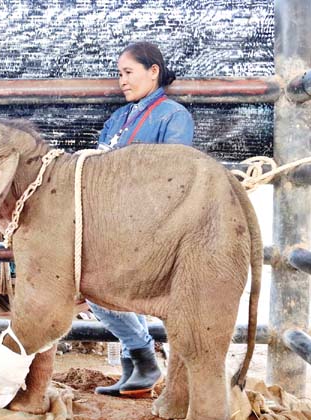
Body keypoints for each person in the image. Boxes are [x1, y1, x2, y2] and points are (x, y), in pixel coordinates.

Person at [89, 41, 194, 397]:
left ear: (154, 72)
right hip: (110, 221)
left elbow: (175, 178)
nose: (122, 80)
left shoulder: (174, 116)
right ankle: (139, 362)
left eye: (128, 72)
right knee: (92, 288)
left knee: (96, 288)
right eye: (119, 73)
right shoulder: (119, 118)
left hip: (150, 226)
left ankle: (142, 358)